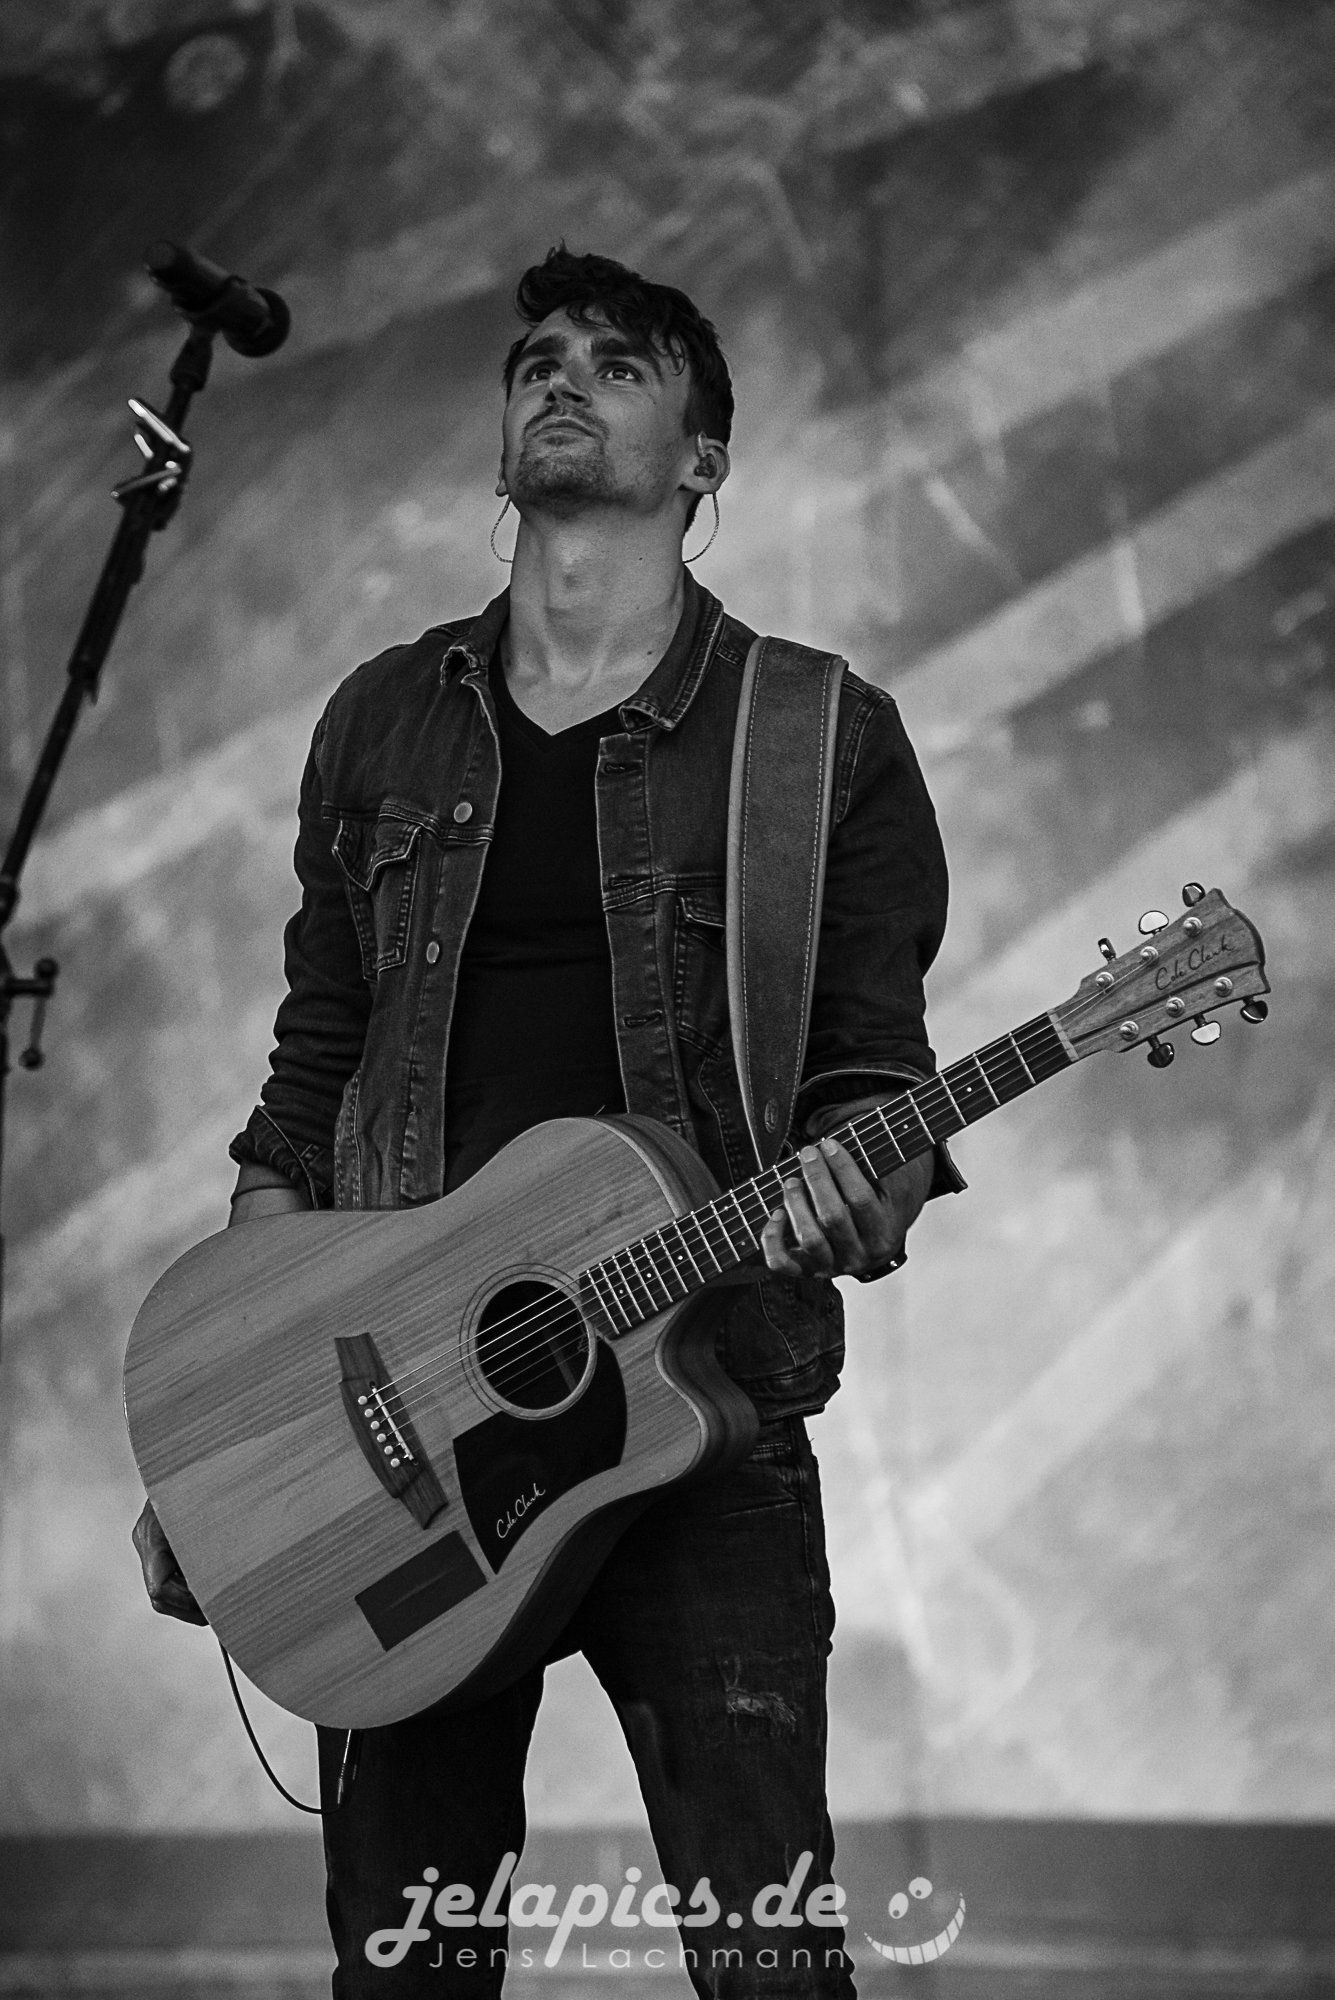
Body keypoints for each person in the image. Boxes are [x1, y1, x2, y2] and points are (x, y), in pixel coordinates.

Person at [133, 247, 958, 1998]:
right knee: (406, 1975)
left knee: (769, 1967)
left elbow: (874, 1076)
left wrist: (863, 1188)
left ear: (704, 460)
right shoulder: (382, 719)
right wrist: (238, 1442)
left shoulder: (818, 737)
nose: (561, 375)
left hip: (701, 1421)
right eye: (537, 360)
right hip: (406, 1441)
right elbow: (310, 1077)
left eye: (619, 361)